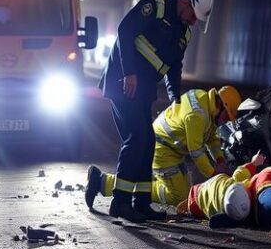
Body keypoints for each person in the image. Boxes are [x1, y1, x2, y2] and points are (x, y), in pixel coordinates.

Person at [95, 0, 214, 223]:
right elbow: (125, 31)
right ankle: (119, 203)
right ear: (184, 1)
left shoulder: (184, 32)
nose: (193, 21)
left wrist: (174, 94)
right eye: (193, 14)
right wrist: (129, 72)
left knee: (148, 142)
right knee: (137, 138)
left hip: (144, 92)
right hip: (122, 85)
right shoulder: (153, 7)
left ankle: (141, 203)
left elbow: (174, 65)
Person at [86, 86, 241, 215]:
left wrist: (220, 160)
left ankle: (106, 181)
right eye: (227, 116)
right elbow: (197, 152)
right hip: (162, 150)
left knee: (186, 194)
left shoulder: (205, 102)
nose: (226, 121)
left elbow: (212, 139)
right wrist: (215, 175)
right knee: (177, 196)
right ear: (222, 105)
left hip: (170, 148)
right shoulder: (197, 116)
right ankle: (102, 182)